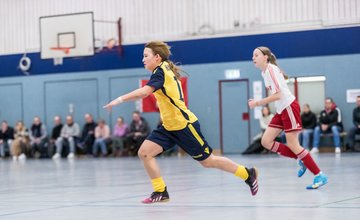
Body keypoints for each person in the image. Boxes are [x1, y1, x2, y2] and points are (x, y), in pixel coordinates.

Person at [104, 41, 258, 203]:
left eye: (145, 56)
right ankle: (160, 191)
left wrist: (119, 99)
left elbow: (144, 92)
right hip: (169, 127)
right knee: (145, 153)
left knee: (208, 161)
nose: (143, 59)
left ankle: (247, 174)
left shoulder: (160, 71)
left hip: (184, 125)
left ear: (157, 57)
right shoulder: (164, 69)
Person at [249, 46, 327, 189]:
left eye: (256, 55)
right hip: (281, 110)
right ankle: (300, 158)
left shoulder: (271, 70)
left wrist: (258, 103)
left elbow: (279, 95)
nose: (253, 58)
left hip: (289, 107)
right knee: (266, 141)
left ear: (265, 57)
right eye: (252, 56)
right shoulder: (264, 72)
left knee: (293, 144)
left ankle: (319, 174)